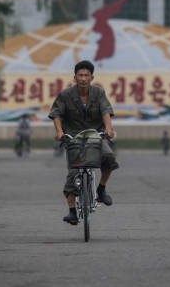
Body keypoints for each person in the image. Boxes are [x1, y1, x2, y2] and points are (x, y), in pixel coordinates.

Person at [49, 60, 118, 225]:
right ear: (75, 77)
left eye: (87, 75)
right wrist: (59, 132)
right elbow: (57, 114)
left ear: (92, 77)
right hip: (73, 136)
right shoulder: (65, 95)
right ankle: (72, 211)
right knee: (73, 173)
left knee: (109, 157)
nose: (83, 78)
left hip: (95, 134)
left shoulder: (99, 93)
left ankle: (101, 189)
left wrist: (108, 129)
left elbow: (106, 112)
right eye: (80, 75)